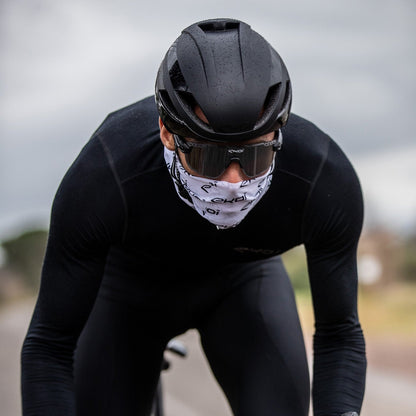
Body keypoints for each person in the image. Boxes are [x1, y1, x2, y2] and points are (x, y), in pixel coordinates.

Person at [21, 18, 366, 416]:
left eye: (255, 156)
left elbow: (339, 333)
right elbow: (49, 345)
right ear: (168, 133)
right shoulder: (106, 172)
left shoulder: (322, 176)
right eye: (210, 157)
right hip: (127, 293)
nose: (234, 181)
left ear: (279, 132)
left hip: (243, 285)